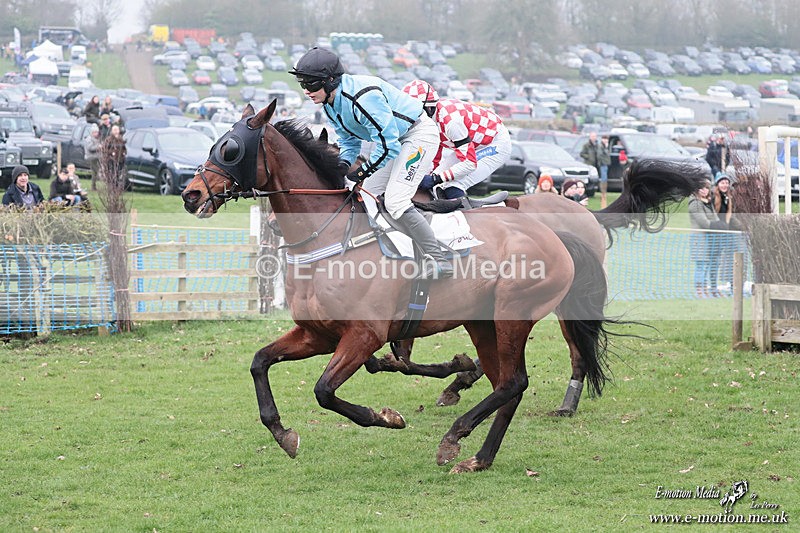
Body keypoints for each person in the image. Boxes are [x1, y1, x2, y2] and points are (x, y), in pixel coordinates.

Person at [289, 47, 451, 279]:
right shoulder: (330, 104)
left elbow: (388, 145)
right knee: (367, 194)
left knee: (395, 201)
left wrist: (364, 170)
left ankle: (438, 258)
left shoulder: (362, 97)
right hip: (397, 140)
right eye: (302, 84)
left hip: (418, 136)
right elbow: (348, 140)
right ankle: (393, 248)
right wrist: (344, 165)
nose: (306, 91)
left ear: (331, 81)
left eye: (312, 84)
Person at [400, 79, 512, 199]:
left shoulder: (451, 122)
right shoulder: (431, 119)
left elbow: (469, 164)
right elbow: (434, 156)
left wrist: (436, 178)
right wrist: (428, 175)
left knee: (453, 184)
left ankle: (466, 216)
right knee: (437, 185)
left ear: (428, 108)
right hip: (474, 143)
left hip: (495, 143)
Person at [688, 179, 726, 298]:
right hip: (699, 239)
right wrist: (718, 225)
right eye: (702, 188)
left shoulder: (707, 202)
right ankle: (700, 290)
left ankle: (706, 289)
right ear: (696, 190)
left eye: (706, 188)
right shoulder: (695, 203)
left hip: (710, 238)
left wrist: (719, 224)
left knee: (708, 265)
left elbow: (714, 218)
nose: (704, 191)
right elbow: (703, 222)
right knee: (701, 265)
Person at [579, 131, 610, 206]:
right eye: (592, 136)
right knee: (587, 179)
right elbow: (582, 154)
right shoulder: (586, 145)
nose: (594, 138)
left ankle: (596, 193)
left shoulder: (597, 145)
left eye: (595, 136)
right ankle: (584, 193)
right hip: (589, 164)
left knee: (595, 180)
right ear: (590, 137)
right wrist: (588, 157)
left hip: (596, 165)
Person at [83, 124, 102, 190]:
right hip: (91, 157)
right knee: (96, 171)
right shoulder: (89, 139)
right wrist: (98, 147)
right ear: (91, 132)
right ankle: (96, 185)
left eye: (96, 132)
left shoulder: (98, 138)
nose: (96, 133)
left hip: (97, 157)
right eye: (94, 132)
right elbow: (90, 148)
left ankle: (93, 186)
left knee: (94, 172)